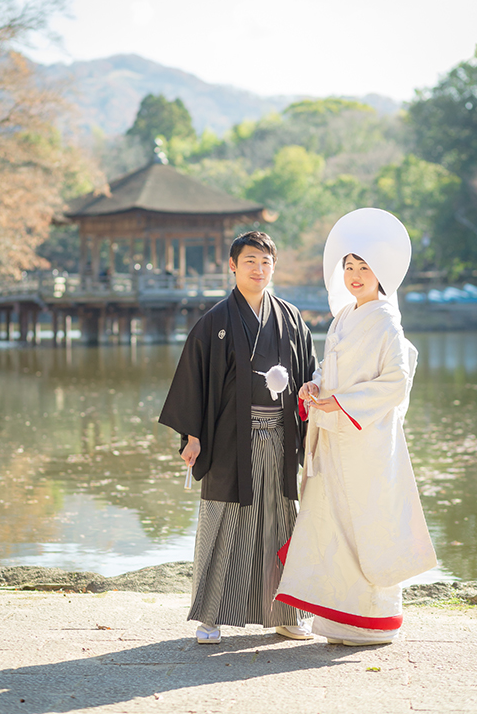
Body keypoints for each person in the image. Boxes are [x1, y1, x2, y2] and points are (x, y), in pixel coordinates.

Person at [275, 208, 437, 646]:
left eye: (364, 267)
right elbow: (333, 370)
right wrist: (316, 385)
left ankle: (373, 620)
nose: (355, 276)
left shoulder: (386, 320)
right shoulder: (343, 316)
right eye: (348, 267)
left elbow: (396, 381)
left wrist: (344, 402)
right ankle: (339, 621)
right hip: (335, 436)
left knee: (367, 523)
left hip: (367, 440)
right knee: (333, 522)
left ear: (380, 273)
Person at [159, 231, 317, 644]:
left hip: (280, 437)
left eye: (265, 262)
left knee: (282, 521)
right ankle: (210, 617)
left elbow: (309, 374)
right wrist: (192, 437)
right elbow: (194, 383)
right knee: (221, 522)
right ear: (232, 265)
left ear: (274, 267)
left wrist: (311, 398)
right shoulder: (214, 322)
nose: (258, 269)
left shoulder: (290, 318)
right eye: (250, 261)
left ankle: (288, 613)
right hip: (230, 439)